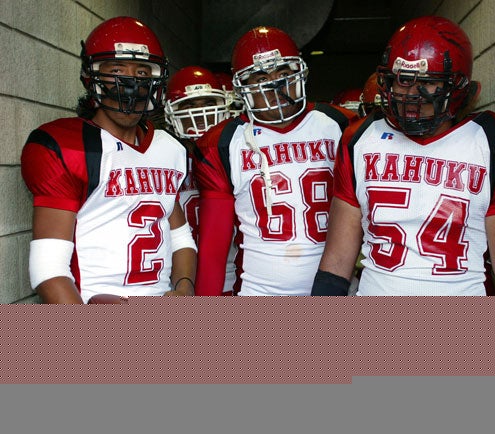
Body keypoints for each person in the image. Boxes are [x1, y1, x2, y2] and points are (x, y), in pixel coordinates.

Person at [311, 16, 495, 296]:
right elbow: (336, 263)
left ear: (457, 88)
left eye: (427, 83)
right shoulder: (360, 138)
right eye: (401, 81)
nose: (409, 96)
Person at [20, 16, 197, 303]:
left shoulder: (169, 148)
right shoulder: (69, 146)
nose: (130, 84)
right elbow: (48, 269)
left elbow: (180, 237)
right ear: (91, 78)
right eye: (116, 70)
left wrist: (184, 288)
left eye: (142, 72)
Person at [192, 26, 358, 296]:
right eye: (259, 77)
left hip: (340, 288)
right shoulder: (223, 142)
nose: (275, 86)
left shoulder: (342, 125)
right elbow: (214, 248)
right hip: (260, 292)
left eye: (284, 74)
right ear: (241, 86)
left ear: (300, 72)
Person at [164, 65, 238, 295]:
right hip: (174, 282)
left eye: (208, 104)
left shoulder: (237, 155)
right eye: (188, 106)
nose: (200, 115)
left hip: (232, 278)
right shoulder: (162, 158)